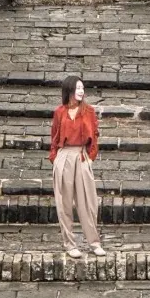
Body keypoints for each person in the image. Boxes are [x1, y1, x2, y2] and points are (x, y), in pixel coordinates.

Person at [49, 74, 104, 257]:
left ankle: (94, 242)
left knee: (88, 201)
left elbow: (94, 136)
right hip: (64, 156)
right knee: (63, 203)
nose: (81, 91)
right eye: (78, 88)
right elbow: (54, 137)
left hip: (81, 156)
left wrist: (91, 157)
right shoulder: (60, 112)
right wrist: (55, 159)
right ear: (69, 90)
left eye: (82, 88)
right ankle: (70, 244)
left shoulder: (89, 111)